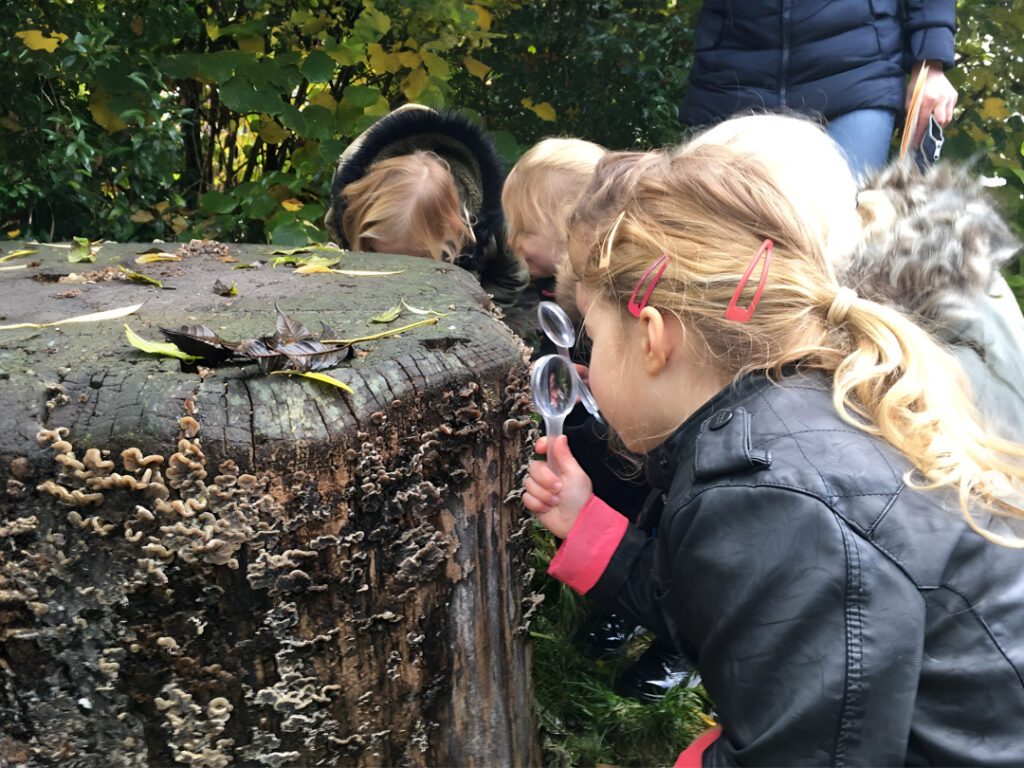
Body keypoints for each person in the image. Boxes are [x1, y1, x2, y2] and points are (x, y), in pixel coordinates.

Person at [523, 146, 1024, 764]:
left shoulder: (769, 493)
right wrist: (591, 530)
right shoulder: (783, 427)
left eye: (593, 340)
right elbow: (723, 615)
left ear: (653, 338)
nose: (586, 369)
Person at [503, 137, 695, 698]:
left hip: (673, 523)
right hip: (634, 492)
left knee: (672, 542)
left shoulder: (728, 486)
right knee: (646, 533)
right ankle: (636, 608)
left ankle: (676, 647)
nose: (512, 243)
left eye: (523, 229)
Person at [680, 1, 959, 177]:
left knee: (842, 240)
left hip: (857, 77)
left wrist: (930, 64)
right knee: (726, 244)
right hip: (733, 80)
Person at [324, 104, 529, 309]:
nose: (401, 273)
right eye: (378, 255)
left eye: (418, 260)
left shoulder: (494, 222)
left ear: (452, 234)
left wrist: (477, 305)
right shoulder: (348, 209)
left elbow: (511, 277)